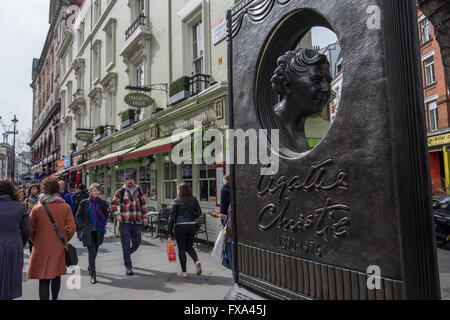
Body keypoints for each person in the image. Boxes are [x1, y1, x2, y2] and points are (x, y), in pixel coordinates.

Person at [271, 48, 332, 153]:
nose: (326, 89)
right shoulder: (267, 127)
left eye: (328, 81)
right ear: (287, 84)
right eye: (316, 80)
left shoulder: (301, 131)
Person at [27, 178, 76, 300]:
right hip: (58, 246)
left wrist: (36, 240)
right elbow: (71, 228)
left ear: (43, 190)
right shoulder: (65, 206)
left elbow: (30, 230)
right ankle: (55, 298)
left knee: (43, 279)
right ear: (57, 189)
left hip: (41, 247)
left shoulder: (37, 208)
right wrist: (64, 240)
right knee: (56, 275)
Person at [111, 172, 148, 275]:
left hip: (137, 221)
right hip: (125, 222)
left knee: (137, 242)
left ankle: (126, 254)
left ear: (134, 180)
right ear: (124, 181)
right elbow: (113, 205)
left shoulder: (138, 190)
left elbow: (143, 204)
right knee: (125, 244)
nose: (130, 180)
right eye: (127, 179)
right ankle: (128, 266)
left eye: (131, 178)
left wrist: (145, 217)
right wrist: (117, 215)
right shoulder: (120, 191)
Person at [0, 181, 30, 300]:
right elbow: (27, 230)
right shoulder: (20, 206)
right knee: (11, 279)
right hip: (13, 244)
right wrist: (21, 243)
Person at [168, 183, 203, 278]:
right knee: (189, 247)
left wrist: (169, 233)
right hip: (192, 226)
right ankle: (196, 261)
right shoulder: (194, 200)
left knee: (182, 249)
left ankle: (184, 272)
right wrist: (192, 216)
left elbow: (171, 218)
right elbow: (199, 213)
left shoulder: (176, 201)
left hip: (180, 226)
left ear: (180, 190)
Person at [76, 183, 108, 285]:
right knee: (92, 252)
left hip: (98, 231)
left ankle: (90, 266)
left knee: (95, 251)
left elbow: (105, 215)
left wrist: (101, 223)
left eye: (98, 190)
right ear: (90, 192)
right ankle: (93, 275)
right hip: (88, 232)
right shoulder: (84, 202)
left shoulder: (102, 203)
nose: (96, 192)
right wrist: (83, 226)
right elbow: (78, 216)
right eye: (94, 190)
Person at [24, 184, 40, 253]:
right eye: (31, 189)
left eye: (34, 189)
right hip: (29, 222)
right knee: (30, 240)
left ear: (38, 190)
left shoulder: (40, 200)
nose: (32, 190)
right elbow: (24, 211)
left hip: (38, 222)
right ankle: (32, 254)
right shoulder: (27, 200)